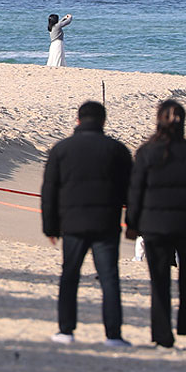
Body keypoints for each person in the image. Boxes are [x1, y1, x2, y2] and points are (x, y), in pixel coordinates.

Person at [42, 100, 134, 347]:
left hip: (72, 224)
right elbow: (132, 191)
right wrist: (133, 223)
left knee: (70, 276)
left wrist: (50, 227)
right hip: (106, 224)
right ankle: (113, 336)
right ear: (103, 121)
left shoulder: (62, 149)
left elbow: (49, 190)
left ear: (78, 120)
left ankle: (65, 331)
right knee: (109, 279)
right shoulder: (117, 150)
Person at [126, 99, 186, 350]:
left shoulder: (146, 153)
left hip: (155, 226)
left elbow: (135, 192)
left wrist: (132, 223)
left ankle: (163, 336)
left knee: (160, 279)